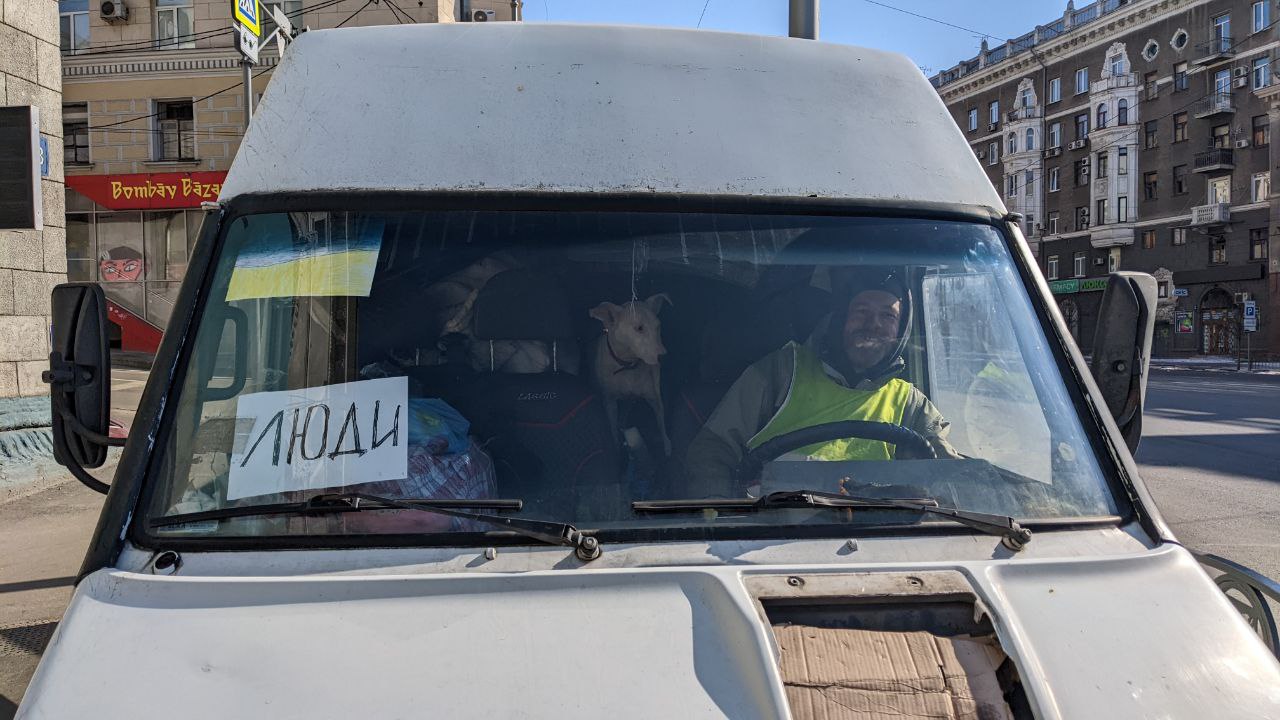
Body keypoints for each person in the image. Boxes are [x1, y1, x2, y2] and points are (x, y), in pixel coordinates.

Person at [685, 268, 957, 497]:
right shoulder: (781, 372)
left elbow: (950, 475)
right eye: (861, 311)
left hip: (878, 535)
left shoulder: (910, 404)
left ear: (901, 329)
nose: (873, 324)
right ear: (841, 318)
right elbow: (712, 449)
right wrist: (722, 515)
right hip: (772, 530)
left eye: (888, 315)